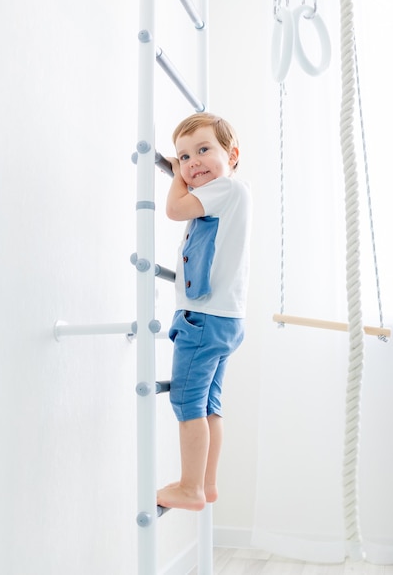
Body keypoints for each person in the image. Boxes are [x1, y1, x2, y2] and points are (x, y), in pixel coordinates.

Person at [157, 112, 252, 511]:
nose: (192, 163)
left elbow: (175, 210)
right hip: (225, 319)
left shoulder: (225, 189)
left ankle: (191, 487)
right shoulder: (229, 194)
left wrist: (176, 174)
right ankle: (207, 484)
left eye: (202, 150)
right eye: (183, 157)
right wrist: (183, 166)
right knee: (210, 403)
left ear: (232, 154)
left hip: (205, 318)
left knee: (187, 401)